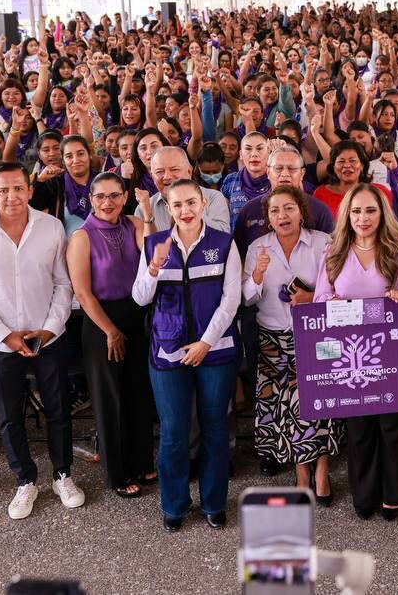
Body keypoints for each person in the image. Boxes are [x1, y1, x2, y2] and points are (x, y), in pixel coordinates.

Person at [0, 160, 80, 520]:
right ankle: (25, 479)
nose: (12, 196)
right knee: (10, 415)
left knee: (58, 408)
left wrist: (50, 328)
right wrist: (4, 335)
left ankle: (62, 474)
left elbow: (63, 283)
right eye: (3, 190)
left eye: (18, 188)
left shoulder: (51, 227)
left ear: (30, 189)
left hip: (46, 336)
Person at [132, 178, 242, 532]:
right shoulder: (153, 244)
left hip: (216, 350)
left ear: (204, 204)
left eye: (191, 203)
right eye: (178, 205)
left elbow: (232, 299)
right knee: (174, 431)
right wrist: (152, 269)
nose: (185, 211)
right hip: (168, 352)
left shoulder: (224, 244)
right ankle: (174, 505)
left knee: (214, 427)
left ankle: (213, 503)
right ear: (168, 206)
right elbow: (139, 298)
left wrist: (206, 342)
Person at [313, 183, 398, 520]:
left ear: (382, 213)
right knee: (359, 427)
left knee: (393, 423)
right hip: (351, 355)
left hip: (392, 351)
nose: (363, 217)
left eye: (370, 210)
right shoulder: (333, 253)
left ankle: (394, 492)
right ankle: (365, 491)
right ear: (346, 215)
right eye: (356, 211)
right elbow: (319, 300)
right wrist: (333, 305)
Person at [242, 185, 338, 493]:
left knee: (320, 402)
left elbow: (340, 291)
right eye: (275, 210)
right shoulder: (258, 247)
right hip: (273, 338)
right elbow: (245, 300)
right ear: (268, 217)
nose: (282, 215)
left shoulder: (323, 243)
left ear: (301, 211)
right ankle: (300, 472)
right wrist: (256, 275)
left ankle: (321, 470)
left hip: (318, 333)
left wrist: (312, 297)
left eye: (288, 208)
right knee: (287, 408)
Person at [65, 172, 156, 498]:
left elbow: (154, 254)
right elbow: (84, 294)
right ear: (90, 199)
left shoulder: (132, 223)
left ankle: (143, 460)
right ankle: (118, 474)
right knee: (110, 400)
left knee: (139, 394)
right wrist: (110, 331)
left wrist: (147, 214)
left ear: (124, 196)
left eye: (115, 195)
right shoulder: (81, 237)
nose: (108, 202)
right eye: (100, 196)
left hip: (136, 314)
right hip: (101, 322)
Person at [220, 131, 270, 229]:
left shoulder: (277, 179)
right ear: (241, 154)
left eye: (260, 148)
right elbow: (222, 218)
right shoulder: (231, 180)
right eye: (248, 149)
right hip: (237, 242)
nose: (254, 154)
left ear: (269, 151)